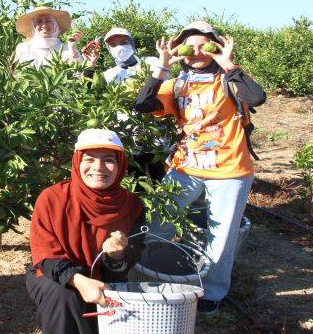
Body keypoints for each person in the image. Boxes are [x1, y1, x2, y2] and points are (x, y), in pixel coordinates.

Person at [133, 20, 266, 314]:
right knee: (158, 222)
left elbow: (257, 98)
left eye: (202, 45)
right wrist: (162, 66)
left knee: (221, 237)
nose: (195, 52)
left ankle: (212, 293)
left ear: (214, 46)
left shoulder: (230, 79)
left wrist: (228, 63)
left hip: (230, 169)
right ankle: (156, 274)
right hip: (185, 166)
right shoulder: (176, 82)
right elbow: (142, 105)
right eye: (188, 46)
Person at [26, 129, 146, 334]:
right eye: (89, 159)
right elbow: (45, 254)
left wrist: (116, 256)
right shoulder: (52, 199)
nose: (98, 168)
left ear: (120, 165)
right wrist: (79, 280)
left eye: (109, 159)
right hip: (53, 273)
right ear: (77, 162)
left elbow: (128, 262)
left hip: (107, 278)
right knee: (65, 297)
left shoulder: (132, 205)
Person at [15, 6, 98, 68]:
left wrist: (72, 47)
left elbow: (78, 73)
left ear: (55, 25)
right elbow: (16, 74)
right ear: (34, 26)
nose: (44, 25)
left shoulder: (65, 49)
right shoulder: (24, 48)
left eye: (48, 21)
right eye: (39, 22)